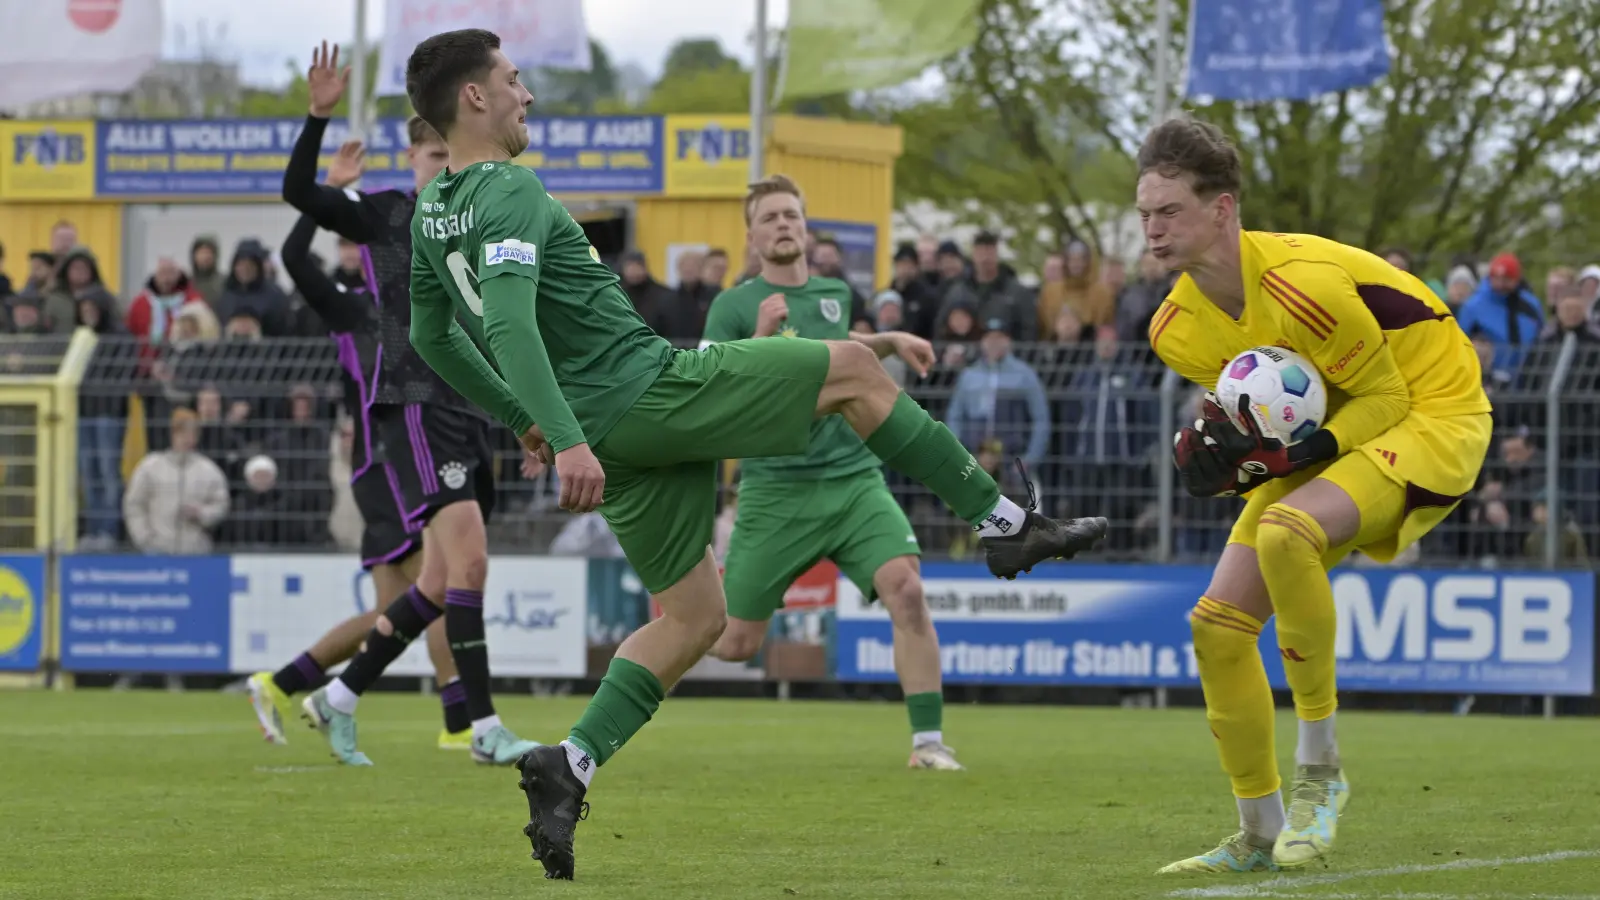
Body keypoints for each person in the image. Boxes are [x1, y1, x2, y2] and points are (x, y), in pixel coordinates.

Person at [400, 28, 1108, 880]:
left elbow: (430, 335)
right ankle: (1004, 522)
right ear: (474, 98)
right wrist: (568, 433)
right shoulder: (509, 187)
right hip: (641, 393)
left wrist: (527, 418)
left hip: (613, 434)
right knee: (852, 369)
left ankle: (570, 764)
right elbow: (507, 324)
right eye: (514, 81)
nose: (527, 95)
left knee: (697, 620)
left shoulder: (432, 209)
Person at [1138, 118, 1491, 873]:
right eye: (1144, 213)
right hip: (1345, 420)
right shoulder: (1174, 329)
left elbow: (1384, 397)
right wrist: (1234, 466)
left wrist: (1293, 457)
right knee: (1217, 626)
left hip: (1433, 408)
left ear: (1222, 209)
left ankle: (1322, 775)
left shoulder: (1300, 284)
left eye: (1169, 211)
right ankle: (1258, 832)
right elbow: (1274, 424)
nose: (1152, 229)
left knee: (1287, 531)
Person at [279, 40, 539, 767]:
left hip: (472, 403)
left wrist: (522, 414)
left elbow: (505, 324)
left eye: (439, 160)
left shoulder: (486, 214)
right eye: (424, 159)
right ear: (417, 158)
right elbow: (301, 200)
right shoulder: (391, 214)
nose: (435, 170)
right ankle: (482, 727)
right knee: (471, 566)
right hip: (416, 400)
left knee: (433, 581)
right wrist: (317, 118)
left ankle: (336, 696)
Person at [699, 175, 960, 771]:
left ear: (806, 226)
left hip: (851, 477)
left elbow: (838, 348)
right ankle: (682, 607)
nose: (784, 224)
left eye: (792, 214)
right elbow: (707, 391)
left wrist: (889, 340)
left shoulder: (835, 292)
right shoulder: (734, 306)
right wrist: (760, 339)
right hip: (774, 488)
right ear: (752, 235)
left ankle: (928, 745)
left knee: (908, 591)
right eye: (770, 217)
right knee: (735, 645)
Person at [244, 175, 471, 752]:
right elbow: (293, 256)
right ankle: (459, 723)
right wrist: (334, 189)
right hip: (383, 467)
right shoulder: (352, 312)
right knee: (440, 582)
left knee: (391, 613)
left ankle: (284, 682)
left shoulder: (422, 309)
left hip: (393, 465)